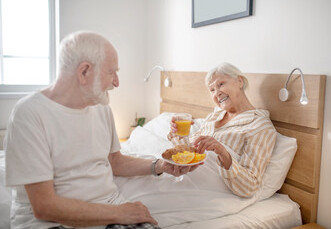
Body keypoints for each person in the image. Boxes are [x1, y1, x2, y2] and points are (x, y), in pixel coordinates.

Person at [4, 31, 199, 229]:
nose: (117, 82)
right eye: (111, 72)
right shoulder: (29, 113)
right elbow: (44, 207)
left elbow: (116, 162)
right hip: (51, 223)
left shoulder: (101, 107)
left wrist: (160, 166)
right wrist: (121, 213)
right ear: (84, 72)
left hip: (110, 210)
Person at [168, 62, 277, 198]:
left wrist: (223, 153)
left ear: (239, 81)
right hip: (185, 175)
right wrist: (177, 134)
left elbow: (250, 186)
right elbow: (190, 154)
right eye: (212, 90)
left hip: (205, 189)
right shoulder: (215, 115)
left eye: (221, 84)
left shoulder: (259, 126)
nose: (217, 93)